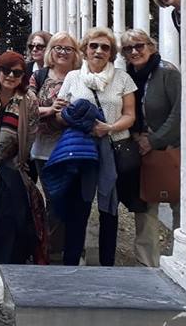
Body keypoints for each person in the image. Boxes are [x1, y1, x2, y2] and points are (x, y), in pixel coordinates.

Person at [54, 27, 136, 266]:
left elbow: (130, 115)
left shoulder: (122, 78)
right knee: (79, 206)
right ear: (85, 49)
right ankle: (72, 262)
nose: (99, 50)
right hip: (82, 150)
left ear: (111, 53)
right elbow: (61, 115)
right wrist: (69, 115)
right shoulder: (73, 78)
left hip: (113, 145)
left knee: (109, 207)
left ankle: (107, 263)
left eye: (105, 47)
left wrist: (108, 128)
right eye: (94, 46)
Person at [121, 28, 181, 267]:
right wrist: (136, 136)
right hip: (140, 147)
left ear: (151, 46)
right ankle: (147, 263)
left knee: (178, 201)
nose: (134, 51)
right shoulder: (128, 75)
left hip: (169, 147)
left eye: (139, 45)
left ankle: (181, 258)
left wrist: (154, 140)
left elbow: (179, 111)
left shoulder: (167, 72)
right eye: (128, 48)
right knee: (145, 205)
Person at [0, 50, 46, 265]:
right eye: (6, 70)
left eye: (17, 73)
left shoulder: (28, 100)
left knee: (11, 213)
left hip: (10, 165)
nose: (11, 76)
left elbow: (29, 135)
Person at [29, 31, 80, 262]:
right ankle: (53, 250)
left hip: (74, 147)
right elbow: (27, 108)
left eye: (68, 48)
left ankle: (71, 249)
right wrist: (51, 110)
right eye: (58, 47)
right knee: (54, 201)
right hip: (45, 148)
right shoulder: (39, 76)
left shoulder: (82, 76)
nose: (62, 52)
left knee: (74, 201)